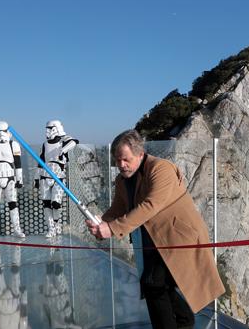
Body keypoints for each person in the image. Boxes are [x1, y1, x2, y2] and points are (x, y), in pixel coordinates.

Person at [86, 129, 225, 329]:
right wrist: (102, 223)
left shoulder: (161, 169)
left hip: (177, 239)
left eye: (125, 159)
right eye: (117, 161)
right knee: (157, 284)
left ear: (140, 154)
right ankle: (185, 320)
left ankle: (183, 321)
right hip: (153, 240)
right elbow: (118, 207)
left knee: (153, 283)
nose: (121, 165)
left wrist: (112, 228)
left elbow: (150, 205)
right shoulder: (122, 180)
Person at [35, 120, 79, 238]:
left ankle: (57, 224)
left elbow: (74, 142)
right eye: (47, 128)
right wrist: (36, 178)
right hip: (45, 175)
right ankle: (51, 228)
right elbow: (41, 161)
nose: (47, 131)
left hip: (58, 176)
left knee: (56, 202)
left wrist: (63, 150)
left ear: (56, 128)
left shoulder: (63, 141)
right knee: (46, 203)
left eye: (50, 128)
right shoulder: (45, 144)